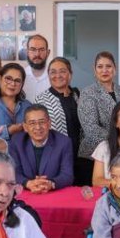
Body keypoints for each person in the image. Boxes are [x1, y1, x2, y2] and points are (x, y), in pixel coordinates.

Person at [33, 57, 89, 185]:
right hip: (57, 158)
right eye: (53, 72)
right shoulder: (41, 100)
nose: (57, 75)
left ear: (70, 74)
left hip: (82, 158)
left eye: (62, 71)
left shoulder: (79, 95)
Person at [77, 51, 120, 167]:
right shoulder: (88, 93)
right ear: (94, 70)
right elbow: (91, 128)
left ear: (115, 69)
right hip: (93, 156)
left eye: (109, 66)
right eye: (100, 67)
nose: (104, 70)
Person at [9, 105, 74, 192]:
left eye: (42, 122)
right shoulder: (17, 141)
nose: (38, 127)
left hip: (53, 193)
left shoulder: (64, 142)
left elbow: (67, 175)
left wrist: (50, 184)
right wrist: (28, 183)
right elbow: (14, 172)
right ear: (25, 127)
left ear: (49, 123)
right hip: (25, 192)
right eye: (32, 123)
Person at [21, 34, 51, 101]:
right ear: (27, 52)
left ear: (48, 53)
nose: (37, 54)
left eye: (42, 49)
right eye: (33, 49)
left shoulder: (55, 77)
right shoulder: (20, 76)